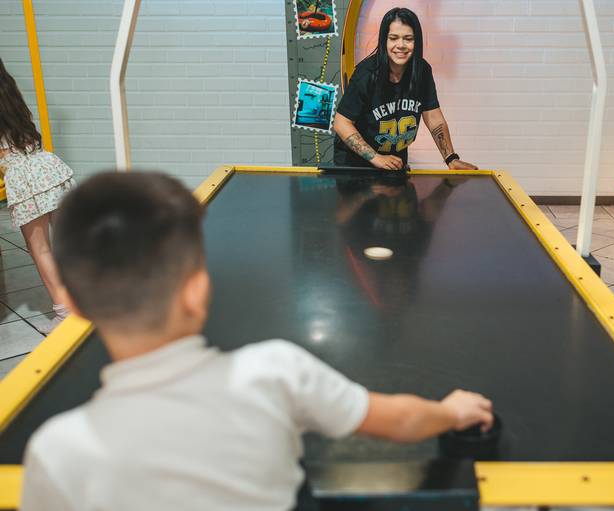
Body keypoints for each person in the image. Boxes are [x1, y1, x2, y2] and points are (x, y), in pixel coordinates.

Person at [20, 172, 494, 511]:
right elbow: (400, 420)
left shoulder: (56, 452)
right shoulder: (274, 372)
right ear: (199, 288)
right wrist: (451, 412)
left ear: (73, 304)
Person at [334, 7, 477, 171]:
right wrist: (376, 158)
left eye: (408, 39)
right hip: (356, 163)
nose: (400, 45)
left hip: (393, 160)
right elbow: (341, 123)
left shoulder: (422, 71)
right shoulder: (366, 73)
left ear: (417, 42)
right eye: (393, 38)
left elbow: (433, 117)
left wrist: (450, 158)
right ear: (384, 40)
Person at [0, 59, 75, 332]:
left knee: (40, 249)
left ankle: (65, 313)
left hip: (24, 178)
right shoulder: (11, 98)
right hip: (49, 166)